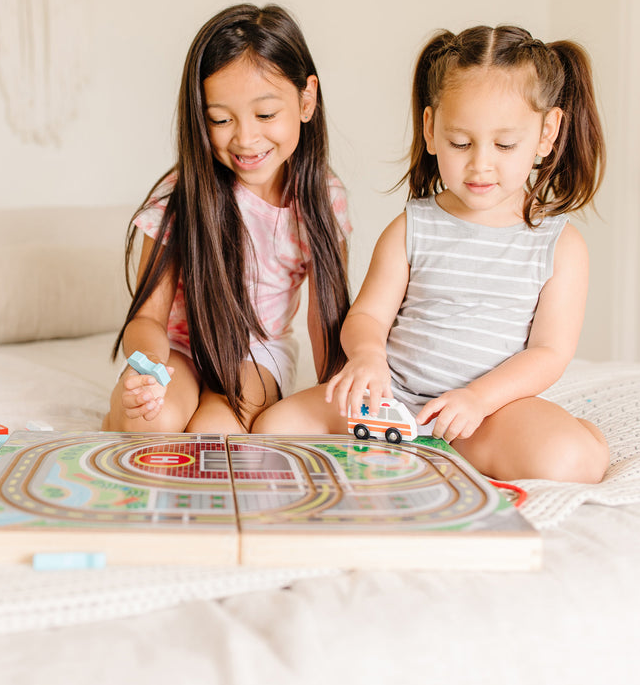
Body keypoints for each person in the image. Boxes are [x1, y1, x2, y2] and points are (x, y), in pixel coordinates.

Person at [254, 25, 609, 483]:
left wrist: (479, 398)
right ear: (430, 129)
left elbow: (549, 352)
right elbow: (367, 318)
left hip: (485, 414)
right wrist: (366, 358)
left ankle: (581, 438)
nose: (480, 163)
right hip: (392, 400)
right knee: (272, 430)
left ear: (547, 134)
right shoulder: (412, 227)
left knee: (568, 460)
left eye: (504, 145)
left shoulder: (559, 244)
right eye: (461, 143)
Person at [103, 4, 351, 435]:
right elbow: (145, 320)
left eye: (266, 114)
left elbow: (324, 319)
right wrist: (148, 373)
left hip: (259, 353)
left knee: (215, 434)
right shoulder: (179, 196)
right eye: (220, 119)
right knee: (154, 424)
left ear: (306, 99)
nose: (246, 138)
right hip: (178, 350)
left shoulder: (322, 201)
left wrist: (333, 398)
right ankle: (117, 419)